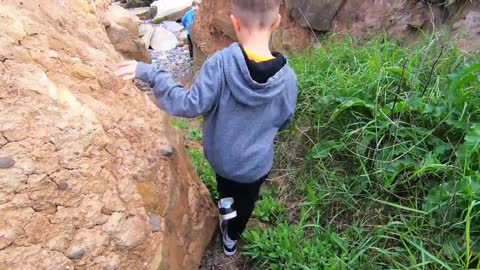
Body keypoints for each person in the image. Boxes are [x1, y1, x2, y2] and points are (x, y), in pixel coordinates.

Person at [114, 0, 297, 256]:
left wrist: (152, 74)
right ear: (277, 22)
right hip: (254, 165)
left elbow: (189, 105)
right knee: (245, 202)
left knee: (225, 185)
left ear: (234, 21)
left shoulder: (220, 64)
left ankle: (224, 203)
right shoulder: (288, 79)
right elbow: (285, 119)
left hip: (221, 158)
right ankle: (231, 238)